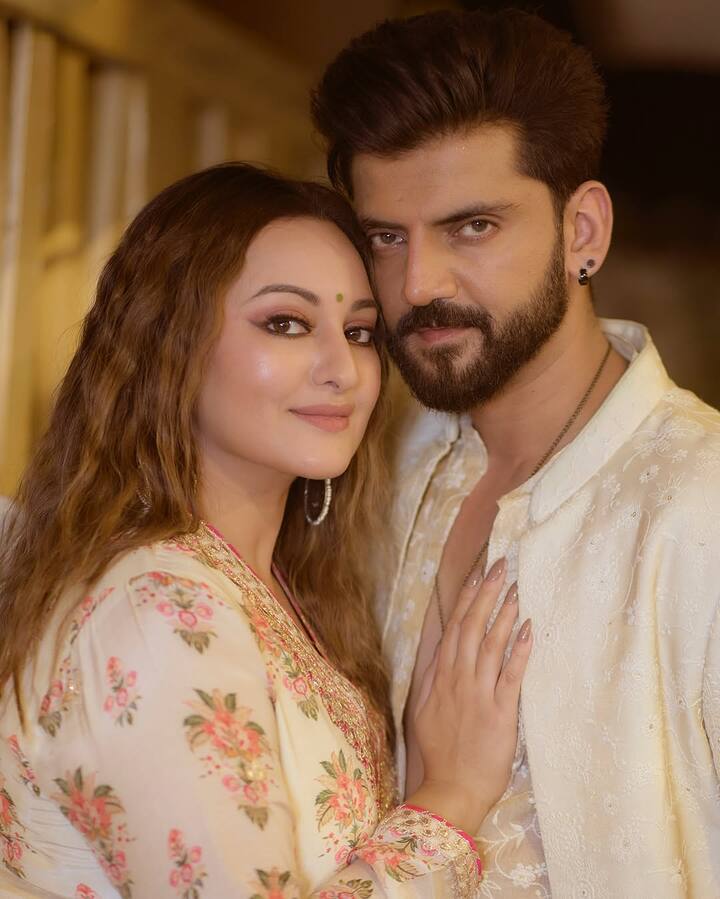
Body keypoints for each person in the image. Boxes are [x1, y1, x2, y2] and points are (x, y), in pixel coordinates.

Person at [0, 163, 532, 898]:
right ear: (169, 340)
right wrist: (451, 798)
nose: (343, 369)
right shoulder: (159, 606)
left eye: (359, 332)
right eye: (286, 323)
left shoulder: (263, 585)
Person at [312, 8, 720, 898]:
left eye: (472, 227)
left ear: (584, 232)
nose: (419, 284)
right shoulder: (372, 463)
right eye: (386, 236)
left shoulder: (701, 502)